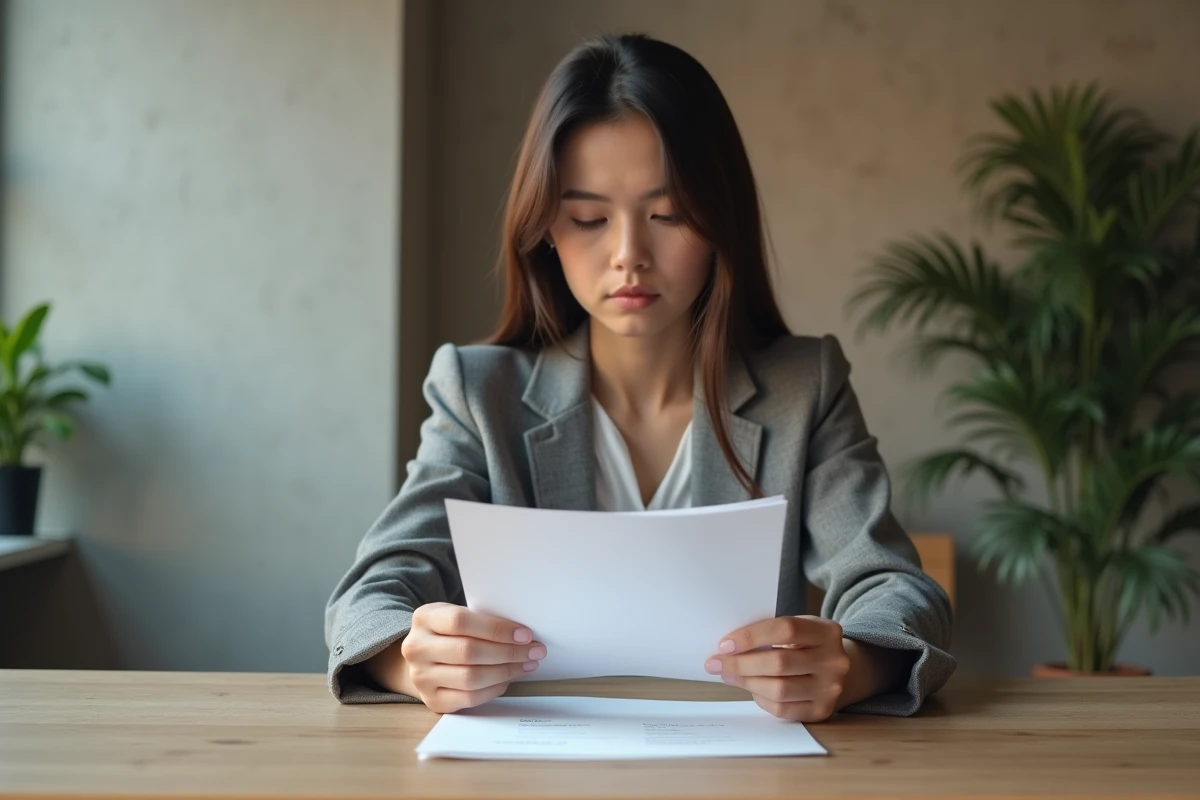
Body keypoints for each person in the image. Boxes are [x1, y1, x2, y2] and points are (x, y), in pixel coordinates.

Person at [325, 32, 954, 722]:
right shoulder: (482, 394)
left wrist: (854, 666)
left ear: (721, 221)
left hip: (752, 769)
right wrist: (413, 661)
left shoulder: (804, 386)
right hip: (530, 770)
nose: (629, 256)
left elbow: (896, 589)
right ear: (546, 232)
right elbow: (369, 598)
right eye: (589, 218)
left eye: (669, 214)